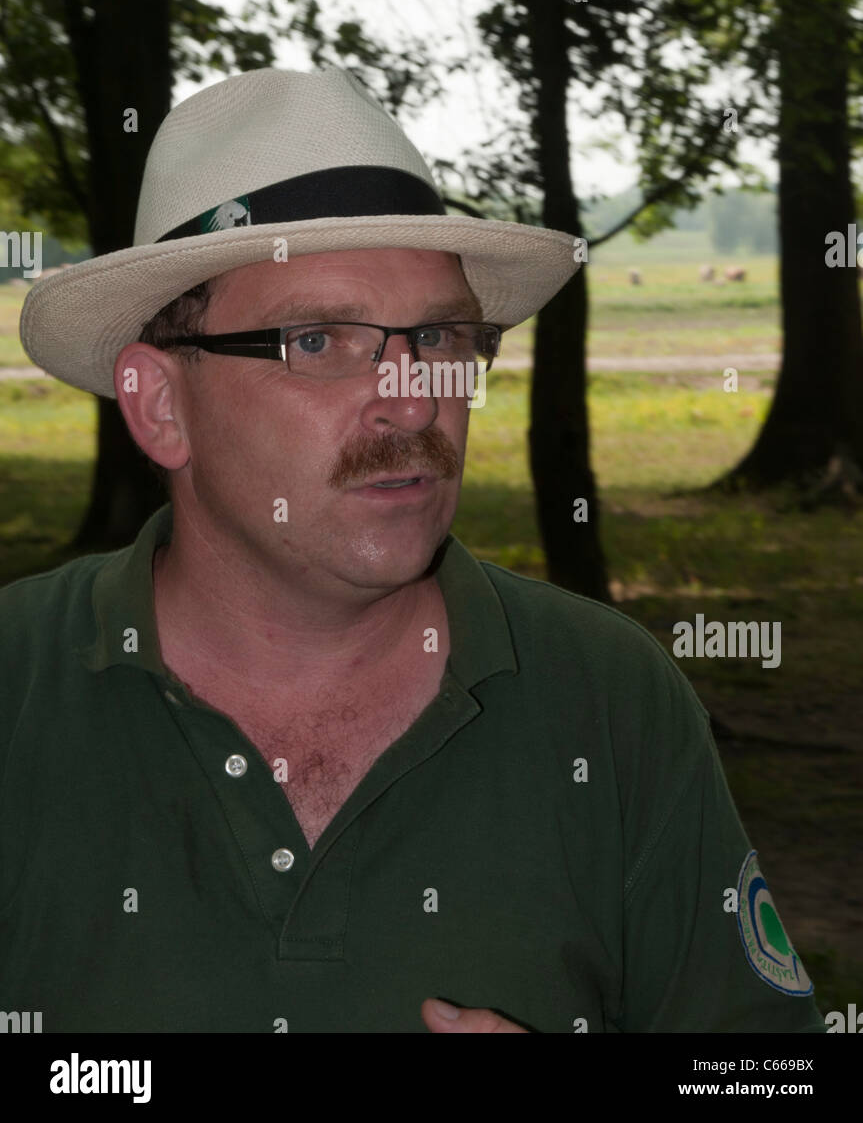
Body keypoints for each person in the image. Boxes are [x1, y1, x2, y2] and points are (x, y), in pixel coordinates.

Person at [2, 67, 825, 1034]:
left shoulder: (606, 696)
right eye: (316, 342)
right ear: (160, 404)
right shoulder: (19, 686)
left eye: (437, 335)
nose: (416, 398)